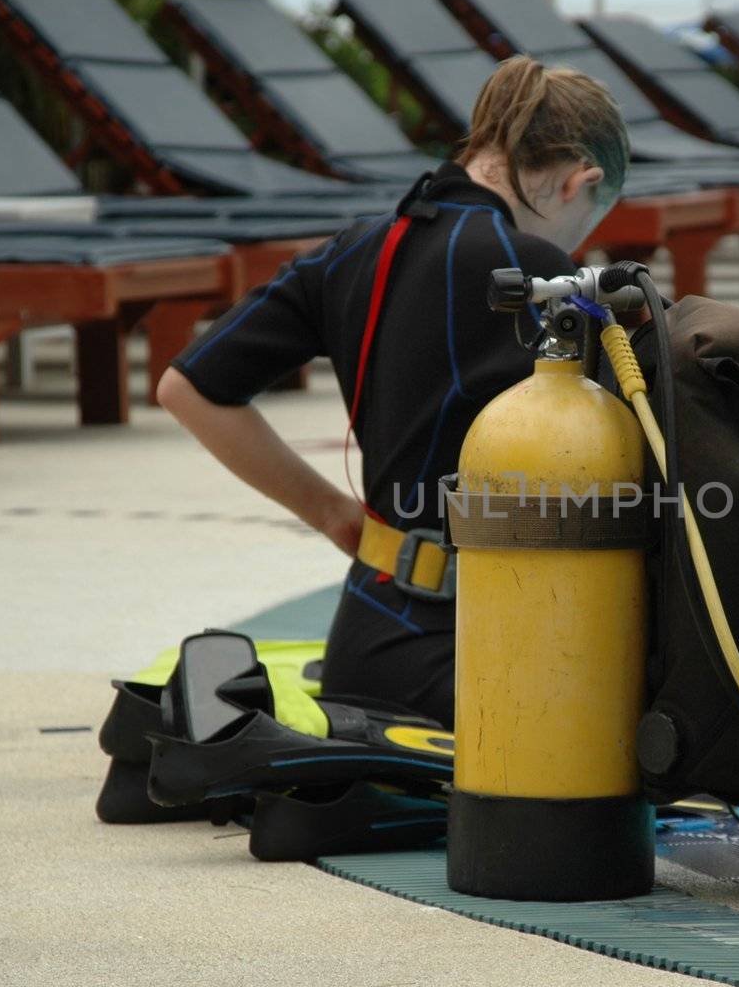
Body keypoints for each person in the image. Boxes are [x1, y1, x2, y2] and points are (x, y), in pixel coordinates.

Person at [156, 57, 630, 727]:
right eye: (589, 218)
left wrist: (332, 513)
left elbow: (187, 389)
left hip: (365, 644)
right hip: (491, 647)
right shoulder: (542, 277)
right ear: (580, 182)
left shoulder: (356, 248)